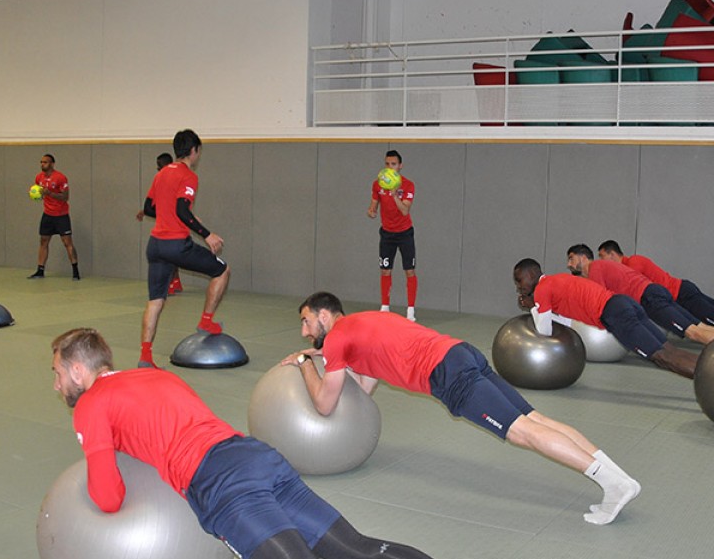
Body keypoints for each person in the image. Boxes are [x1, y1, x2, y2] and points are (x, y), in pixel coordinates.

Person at [50, 327, 434, 559]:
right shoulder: (154, 377)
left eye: (58, 373)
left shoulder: (91, 404)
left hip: (222, 484)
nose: (57, 385)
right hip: (258, 457)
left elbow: (107, 496)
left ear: (78, 370)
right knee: (358, 550)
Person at [281, 291, 641, 526]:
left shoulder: (338, 339)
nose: (304, 331)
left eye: (306, 321)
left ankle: (611, 484)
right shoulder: (365, 322)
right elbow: (364, 388)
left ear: (325, 315)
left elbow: (325, 406)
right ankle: (619, 478)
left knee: (523, 433)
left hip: (448, 375)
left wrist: (305, 363)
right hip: (460, 353)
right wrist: (327, 356)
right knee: (535, 418)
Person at [513, 258, 698, 379]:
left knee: (662, 358)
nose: (518, 287)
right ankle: (708, 368)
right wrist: (538, 307)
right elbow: (568, 323)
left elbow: (544, 331)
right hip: (623, 303)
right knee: (669, 350)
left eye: (519, 280)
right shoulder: (556, 280)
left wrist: (533, 307)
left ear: (531, 275)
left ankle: (709, 378)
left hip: (616, 313)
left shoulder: (542, 290)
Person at [138, 130, 230, 368]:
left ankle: (145, 357)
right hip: (176, 245)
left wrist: (169, 215)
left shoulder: (161, 174)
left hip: (155, 245)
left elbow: (148, 207)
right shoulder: (188, 176)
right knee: (222, 271)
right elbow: (181, 209)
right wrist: (207, 235)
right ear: (194, 151)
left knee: (156, 301)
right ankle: (206, 321)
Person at [597, 240, 714, 344]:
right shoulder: (635, 261)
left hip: (680, 294)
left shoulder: (632, 264)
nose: (603, 261)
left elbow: (641, 289)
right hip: (683, 288)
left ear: (613, 253)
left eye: (603, 256)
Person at [567, 244, 714, 345]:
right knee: (699, 327)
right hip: (654, 292)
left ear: (583, 258)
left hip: (650, 299)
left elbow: (599, 302)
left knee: (693, 333)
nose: (569, 264)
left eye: (571, 259)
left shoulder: (595, 268)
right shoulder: (602, 267)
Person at [367, 150, 417, 321]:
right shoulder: (377, 184)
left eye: (394, 164)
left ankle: (410, 310)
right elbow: (373, 204)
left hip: (404, 233)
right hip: (387, 234)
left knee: (409, 270)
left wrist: (395, 194)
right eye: (387, 164)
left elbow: (404, 210)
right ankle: (385, 307)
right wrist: (372, 211)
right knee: (385, 270)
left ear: (400, 166)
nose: (390, 167)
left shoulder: (408, 185)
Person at [135, 152, 182, 296]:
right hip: (168, 222)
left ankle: (171, 281)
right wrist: (145, 211)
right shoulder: (161, 180)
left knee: (170, 254)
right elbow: (156, 204)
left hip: (175, 225)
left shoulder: (172, 179)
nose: (158, 169)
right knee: (171, 254)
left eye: (159, 166)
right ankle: (176, 281)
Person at [28, 154, 80, 280]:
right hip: (47, 214)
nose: (42, 164)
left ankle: (75, 271)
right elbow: (39, 193)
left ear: (52, 164)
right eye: (41, 162)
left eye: (45, 162)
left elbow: (65, 197)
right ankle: (40, 270)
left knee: (67, 242)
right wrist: (36, 194)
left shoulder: (60, 178)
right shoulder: (39, 177)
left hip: (61, 215)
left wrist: (50, 193)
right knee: (43, 241)